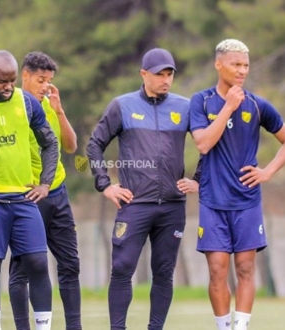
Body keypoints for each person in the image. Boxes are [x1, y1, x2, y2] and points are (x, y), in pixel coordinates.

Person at [86, 48, 200, 330]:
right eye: (159, 74)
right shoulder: (122, 106)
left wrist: (199, 178)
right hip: (134, 205)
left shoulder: (185, 107)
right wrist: (106, 186)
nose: (165, 79)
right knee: (122, 270)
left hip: (173, 207)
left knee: (164, 273)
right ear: (144, 74)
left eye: (170, 74)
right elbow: (94, 146)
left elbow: (208, 144)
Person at [189, 39, 285, 330]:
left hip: (247, 202)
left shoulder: (258, 105)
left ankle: (241, 326)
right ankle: (224, 327)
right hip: (213, 201)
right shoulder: (200, 102)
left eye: (246, 65)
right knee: (217, 270)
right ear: (218, 64)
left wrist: (268, 172)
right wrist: (228, 107)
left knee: (246, 268)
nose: (242, 71)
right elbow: (202, 144)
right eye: (236, 64)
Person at [0, 50, 59, 330]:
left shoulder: (28, 102)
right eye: (1, 81)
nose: (8, 87)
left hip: (23, 199)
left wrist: (45, 183)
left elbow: (50, 143)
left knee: (38, 264)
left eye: (12, 80)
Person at [8, 52, 82, 330]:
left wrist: (59, 110)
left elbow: (72, 146)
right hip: (27, 198)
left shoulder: (48, 106)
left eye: (49, 81)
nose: (45, 86)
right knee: (23, 269)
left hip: (57, 193)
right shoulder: (11, 105)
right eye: (41, 80)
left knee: (70, 264)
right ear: (24, 75)